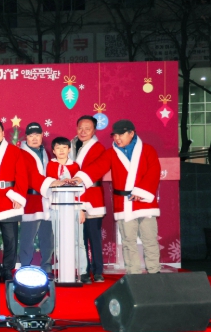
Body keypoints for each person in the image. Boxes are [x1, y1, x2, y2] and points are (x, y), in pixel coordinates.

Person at [0, 119, 58, 282]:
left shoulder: (15, 152)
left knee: (11, 239)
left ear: (3, 133)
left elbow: (22, 176)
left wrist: (18, 197)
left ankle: (8, 268)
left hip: (9, 200)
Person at [72, 120, 162, 275]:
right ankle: (133, 273)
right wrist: (79, 178)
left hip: (145, 202)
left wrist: (141, 192)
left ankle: (154, 272)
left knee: (150, 240)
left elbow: (154, 171)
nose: (117, 138)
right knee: (128, 241)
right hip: (124, 203)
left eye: (121, 135)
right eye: (115, 135)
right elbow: (98, 166)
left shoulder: (148, 150)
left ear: (131, 133)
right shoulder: (111, 153)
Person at [70, 115, 106, 283]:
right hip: (75, 197)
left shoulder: (98, 148)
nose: (83, 132)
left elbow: (98, 169)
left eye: (87, 129)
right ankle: (83, 270)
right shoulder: (71, 146)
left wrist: (81, 178)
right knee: (80, 238)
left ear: (94, 131)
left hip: (93, 197)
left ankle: (98, 271)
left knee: (94, 237)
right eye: (80, 128)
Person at [46, 136, 86, 280]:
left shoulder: (75, 166)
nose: (61, 151)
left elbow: (82, 189)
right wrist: (60, 181)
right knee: (58, 240)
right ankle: (64, 269)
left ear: (69, 149)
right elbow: (50, 183)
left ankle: (82, 271)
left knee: (78, 241)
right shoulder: (50, 165)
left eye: (64, 147)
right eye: (58, 148)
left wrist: (81, 209)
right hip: (56, 208)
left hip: (74, 208)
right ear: (53, 151)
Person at [18, 122, 53, 274]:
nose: (34, 138)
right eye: (31, 135)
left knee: (47, 236)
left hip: (47, 200)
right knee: (27, 237)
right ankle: (25, 266)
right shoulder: (20, 154)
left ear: (42, 136)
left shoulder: (46, 153)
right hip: (30, 200)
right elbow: (30, 176)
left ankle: (47, 265)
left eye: (37, 135)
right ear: (26, 137)